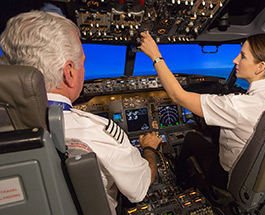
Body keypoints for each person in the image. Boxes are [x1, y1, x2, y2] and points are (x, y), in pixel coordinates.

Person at [0, 11, 162, 214]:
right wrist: (149, 149)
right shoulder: (94, 132)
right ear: (69, 72)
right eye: (82, 62)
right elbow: (139, 189)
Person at [139, 31, 265, 189]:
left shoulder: (240, 106)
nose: (235, 60)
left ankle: (180, 184)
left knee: (191, 137)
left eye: (243, 56)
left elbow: (177, 96)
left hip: (229, 178)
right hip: (257, 176)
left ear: (260, 67)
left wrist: (155, 55)